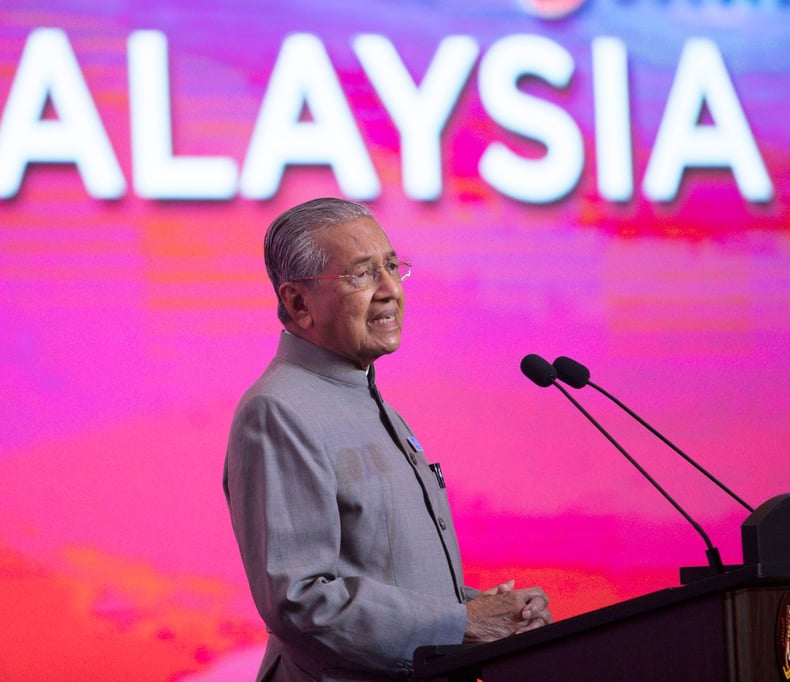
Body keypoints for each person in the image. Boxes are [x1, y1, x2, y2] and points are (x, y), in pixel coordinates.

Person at [223, 198, 552, 681]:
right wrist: (462, 624)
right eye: (361, 275)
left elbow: (391, 577)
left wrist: (494, 612)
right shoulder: (278, 411)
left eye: (392, 266)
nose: (389, 290)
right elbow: (300, 600)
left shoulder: (371, 401)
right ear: (297, 302)